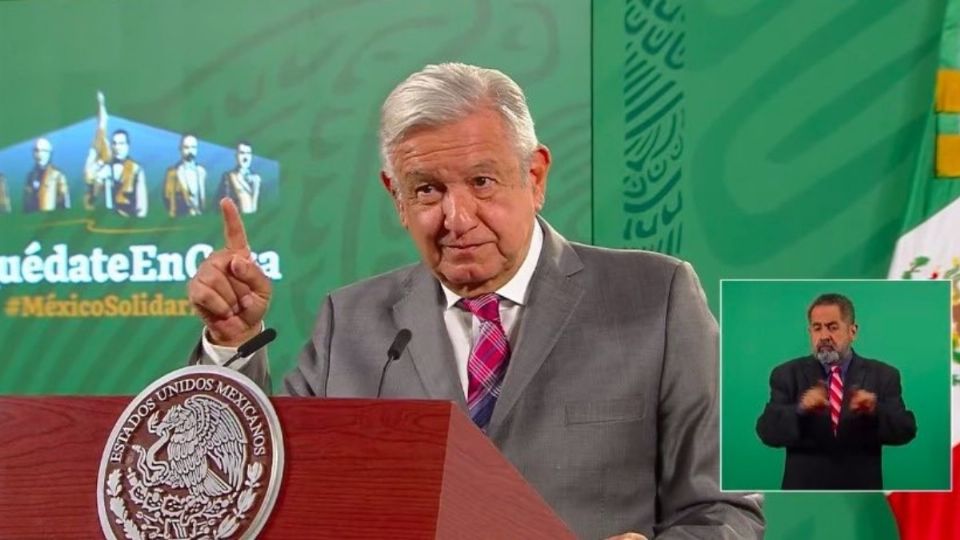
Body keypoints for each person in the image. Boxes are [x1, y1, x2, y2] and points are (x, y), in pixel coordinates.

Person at [188, 63, 764, 539]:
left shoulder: (656, 298)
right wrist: (233, 342)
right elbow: (262, 492)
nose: (456, 219)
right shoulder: (352, 322)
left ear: (534, 176)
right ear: (396, 197)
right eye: (428, 190)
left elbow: (726, 512)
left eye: (482, 182)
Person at [756, 293, 917, 490]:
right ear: (810, 331)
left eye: (832, 327)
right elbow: (767, 432)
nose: (823, 336)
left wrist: (875, 409)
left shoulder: (884, 375)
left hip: (860, 495)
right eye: (817, 328)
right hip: (802, 492)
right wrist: (801, 408)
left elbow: (906, 430)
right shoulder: (786, 374)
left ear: (853, 331)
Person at [163, 134, 207, 217]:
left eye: (193, 147)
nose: (190, 151)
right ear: (180, 149)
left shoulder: (202, 172)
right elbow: (167, 198)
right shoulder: (172, 173)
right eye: (186, 147)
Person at [23, 137, 70, 212]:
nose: (39, 154)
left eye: (43, 151)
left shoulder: (58, 175)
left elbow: (65, 202)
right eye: (36, 151)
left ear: (49, 153)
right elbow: (26, 203)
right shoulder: (30, 176)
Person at [218, 141, 261, 214]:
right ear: (236, 155)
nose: (245, 157)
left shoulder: (257, 178)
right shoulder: (228, 177)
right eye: (242, 153)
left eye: (248, 153)